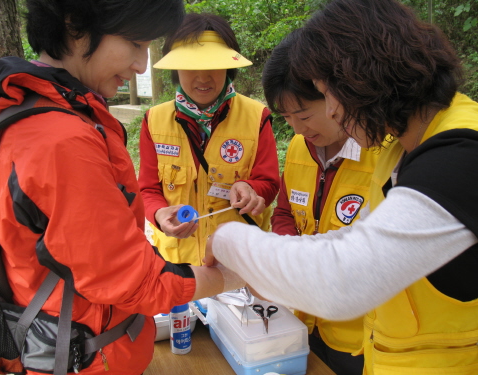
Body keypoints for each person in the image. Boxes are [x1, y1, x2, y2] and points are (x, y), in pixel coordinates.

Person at [204, 0, 478, 374]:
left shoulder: (462, 151)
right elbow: (345, 244)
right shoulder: (396, 150)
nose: (331, 111)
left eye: (326, 92)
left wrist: (228, 240)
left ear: (364, 76)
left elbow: (345, 277)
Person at [0, 1, 245, 374]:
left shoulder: (35, 110)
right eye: (136, 44)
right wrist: (239, 274)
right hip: (83, 359)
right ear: (75, 25)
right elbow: (132, 280)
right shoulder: (61, 140)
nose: (141, 65)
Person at [262, 29, 380, 375]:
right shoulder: (301, 147)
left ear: (335, 98)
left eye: (305, 114)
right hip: (303, 321)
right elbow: (285, 211)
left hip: (357, 336)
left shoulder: (380, 154)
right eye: (287, 119)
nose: (298, 129)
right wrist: (288, 249)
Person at [138, 13, 280, 266]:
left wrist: (252, 190)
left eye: (213, 65)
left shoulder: (257, 116)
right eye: (191, 66)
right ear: (175, 68)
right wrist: (159, 213)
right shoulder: (155, 120)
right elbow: (148, 189)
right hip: (177, 262)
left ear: (229, 66)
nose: (203, 78)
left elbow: (268, 183)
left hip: (237, 262)